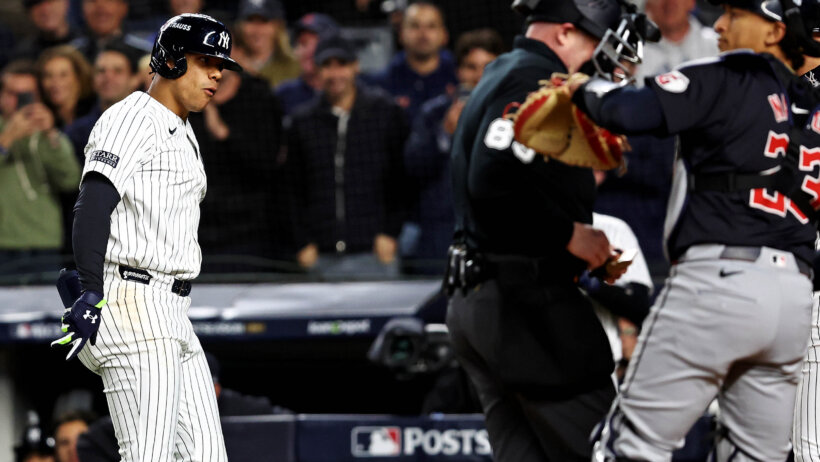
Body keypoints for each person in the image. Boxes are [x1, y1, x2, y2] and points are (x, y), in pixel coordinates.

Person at [569, 0, 819, 459]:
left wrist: (582, 85)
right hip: (793, 300)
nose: (719, 25)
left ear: (775, 32)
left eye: (736, 15)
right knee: (755, 456)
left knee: (630, 446)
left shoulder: (733, 73)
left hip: (719, 283)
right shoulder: (814, 103)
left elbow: (627, 111)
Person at [50, 13, 243, 461]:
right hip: (130, 302)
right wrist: (91, 290)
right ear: (173, 60)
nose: (217, 73)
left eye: (221, 64)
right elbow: (93, 203)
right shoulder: (133, 116)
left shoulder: (184, 128)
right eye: (205, 60)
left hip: (173, 310)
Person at [443, 0, 627, 459]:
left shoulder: (504, 68)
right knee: (612, 450)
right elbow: (492, 180)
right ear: (564, 33)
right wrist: (568, 234)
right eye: (594, 44)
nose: (598, 60)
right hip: (522, 306)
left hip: (483, 297)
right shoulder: (533, 77)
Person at [286, 34, 408, 278]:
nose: (335, 74)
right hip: (320, 255)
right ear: (317, 71)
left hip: (375, 252)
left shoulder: (385, 113)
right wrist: (302, 242)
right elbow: (291, 189)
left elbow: (402, 179)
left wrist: (391, 232)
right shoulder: (302, 122)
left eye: (341, 64)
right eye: (327, 66)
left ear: (356, 66)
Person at [401, 28, 504, 274]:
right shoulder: (433, 114)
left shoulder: (516, 113)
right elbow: (412, 168)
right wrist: (445, 134)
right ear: (458, 71)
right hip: (442, 239)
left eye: (487, 66)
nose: (479, 76)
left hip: (499, 239)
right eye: (471, 66)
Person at [188, 50, 286, 270]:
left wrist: (225, 135)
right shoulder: (184, 102)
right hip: (195, 235)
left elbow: (268, 166)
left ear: (239, 54)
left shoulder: (260, 98)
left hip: (251, 236)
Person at [0, 59, 79, 277]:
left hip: (45, 243)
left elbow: (70, 180)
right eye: (12, 93)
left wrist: (52, 135)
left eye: (27, 95)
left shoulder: (46, 133)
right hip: (3, 244)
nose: (19, 102)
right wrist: (7, 138)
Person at [366, 1, 457, 123]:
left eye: (431, 26)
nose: (423, 34)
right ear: (401, 34)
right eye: (415, 26)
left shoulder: (459, 77)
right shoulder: (381, 85)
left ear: (444, 35)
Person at [64, 40, 143, 163]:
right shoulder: (76, 133)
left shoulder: (153, 127)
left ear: (135, 79)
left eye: (117, 71)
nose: (108, 77)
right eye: (101, 71)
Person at [633, 0, 719, 84]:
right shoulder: (630, 52)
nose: (670, 2)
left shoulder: (720, 45)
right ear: (648, 5)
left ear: (692, 2)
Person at [275, 13, 340, 117]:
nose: (309, 51)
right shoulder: (283, 95)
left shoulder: (354, 92)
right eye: (303, 43)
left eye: (317, 43)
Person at [232, 0, 300, 88]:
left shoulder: (293, 67)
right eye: (250, 21)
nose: (256, 30)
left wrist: (247, 72)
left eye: (264, 21)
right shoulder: (228, 66)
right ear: (240, 26)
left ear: (277, 26)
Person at [70, 0, 152, 62]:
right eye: (93, 0)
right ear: (82, 9)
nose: (100, 7)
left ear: (123, 7)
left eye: (108, 0)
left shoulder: (145, 56)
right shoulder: (73, 56)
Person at [36, 46, 95, 128]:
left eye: (63, 75)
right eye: (48, 76)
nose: (55, 82)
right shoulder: (41, 117)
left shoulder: (95, 114)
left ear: (79, 78)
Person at [13, 0, 81, 61]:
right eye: (37, 3)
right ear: (29, 13)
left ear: (66, 2)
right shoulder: (24, 55)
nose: (45, 9)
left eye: (51, 1)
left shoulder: (87, 44)